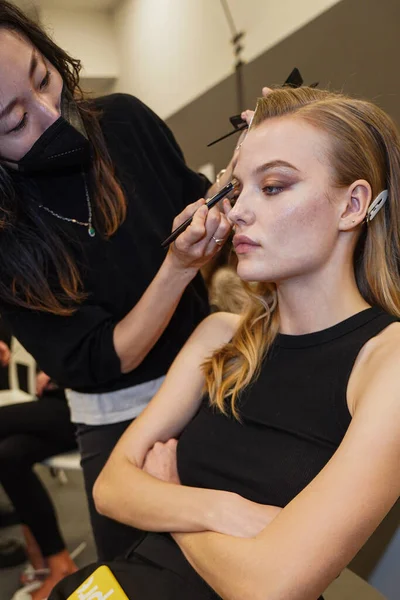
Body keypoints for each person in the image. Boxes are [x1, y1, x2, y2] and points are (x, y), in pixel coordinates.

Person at [50, 86, 400, 600]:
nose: (237, 213)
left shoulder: (385, 363)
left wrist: (170, 498)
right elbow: (110, 487)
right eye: (238, 190)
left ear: (352, 205)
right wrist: (218, 509)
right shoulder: (221, 335)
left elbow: (270, 586)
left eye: (275, 186)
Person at [0, 0, 242, 578]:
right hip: (118, 425)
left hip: (216, 386)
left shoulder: (126, 123)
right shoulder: (7, 235)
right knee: (149, 576)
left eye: (44, 77)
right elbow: (103, 357)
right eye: (13, 122)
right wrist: (178, 268)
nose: (50, 113)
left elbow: (198, 204)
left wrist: (242, 187)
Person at [0, 337, 78, 599]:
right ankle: (57, 561)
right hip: (60, 395)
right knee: (9, 455)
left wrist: (61, 373)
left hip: (84, 402)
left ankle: (54, 563)